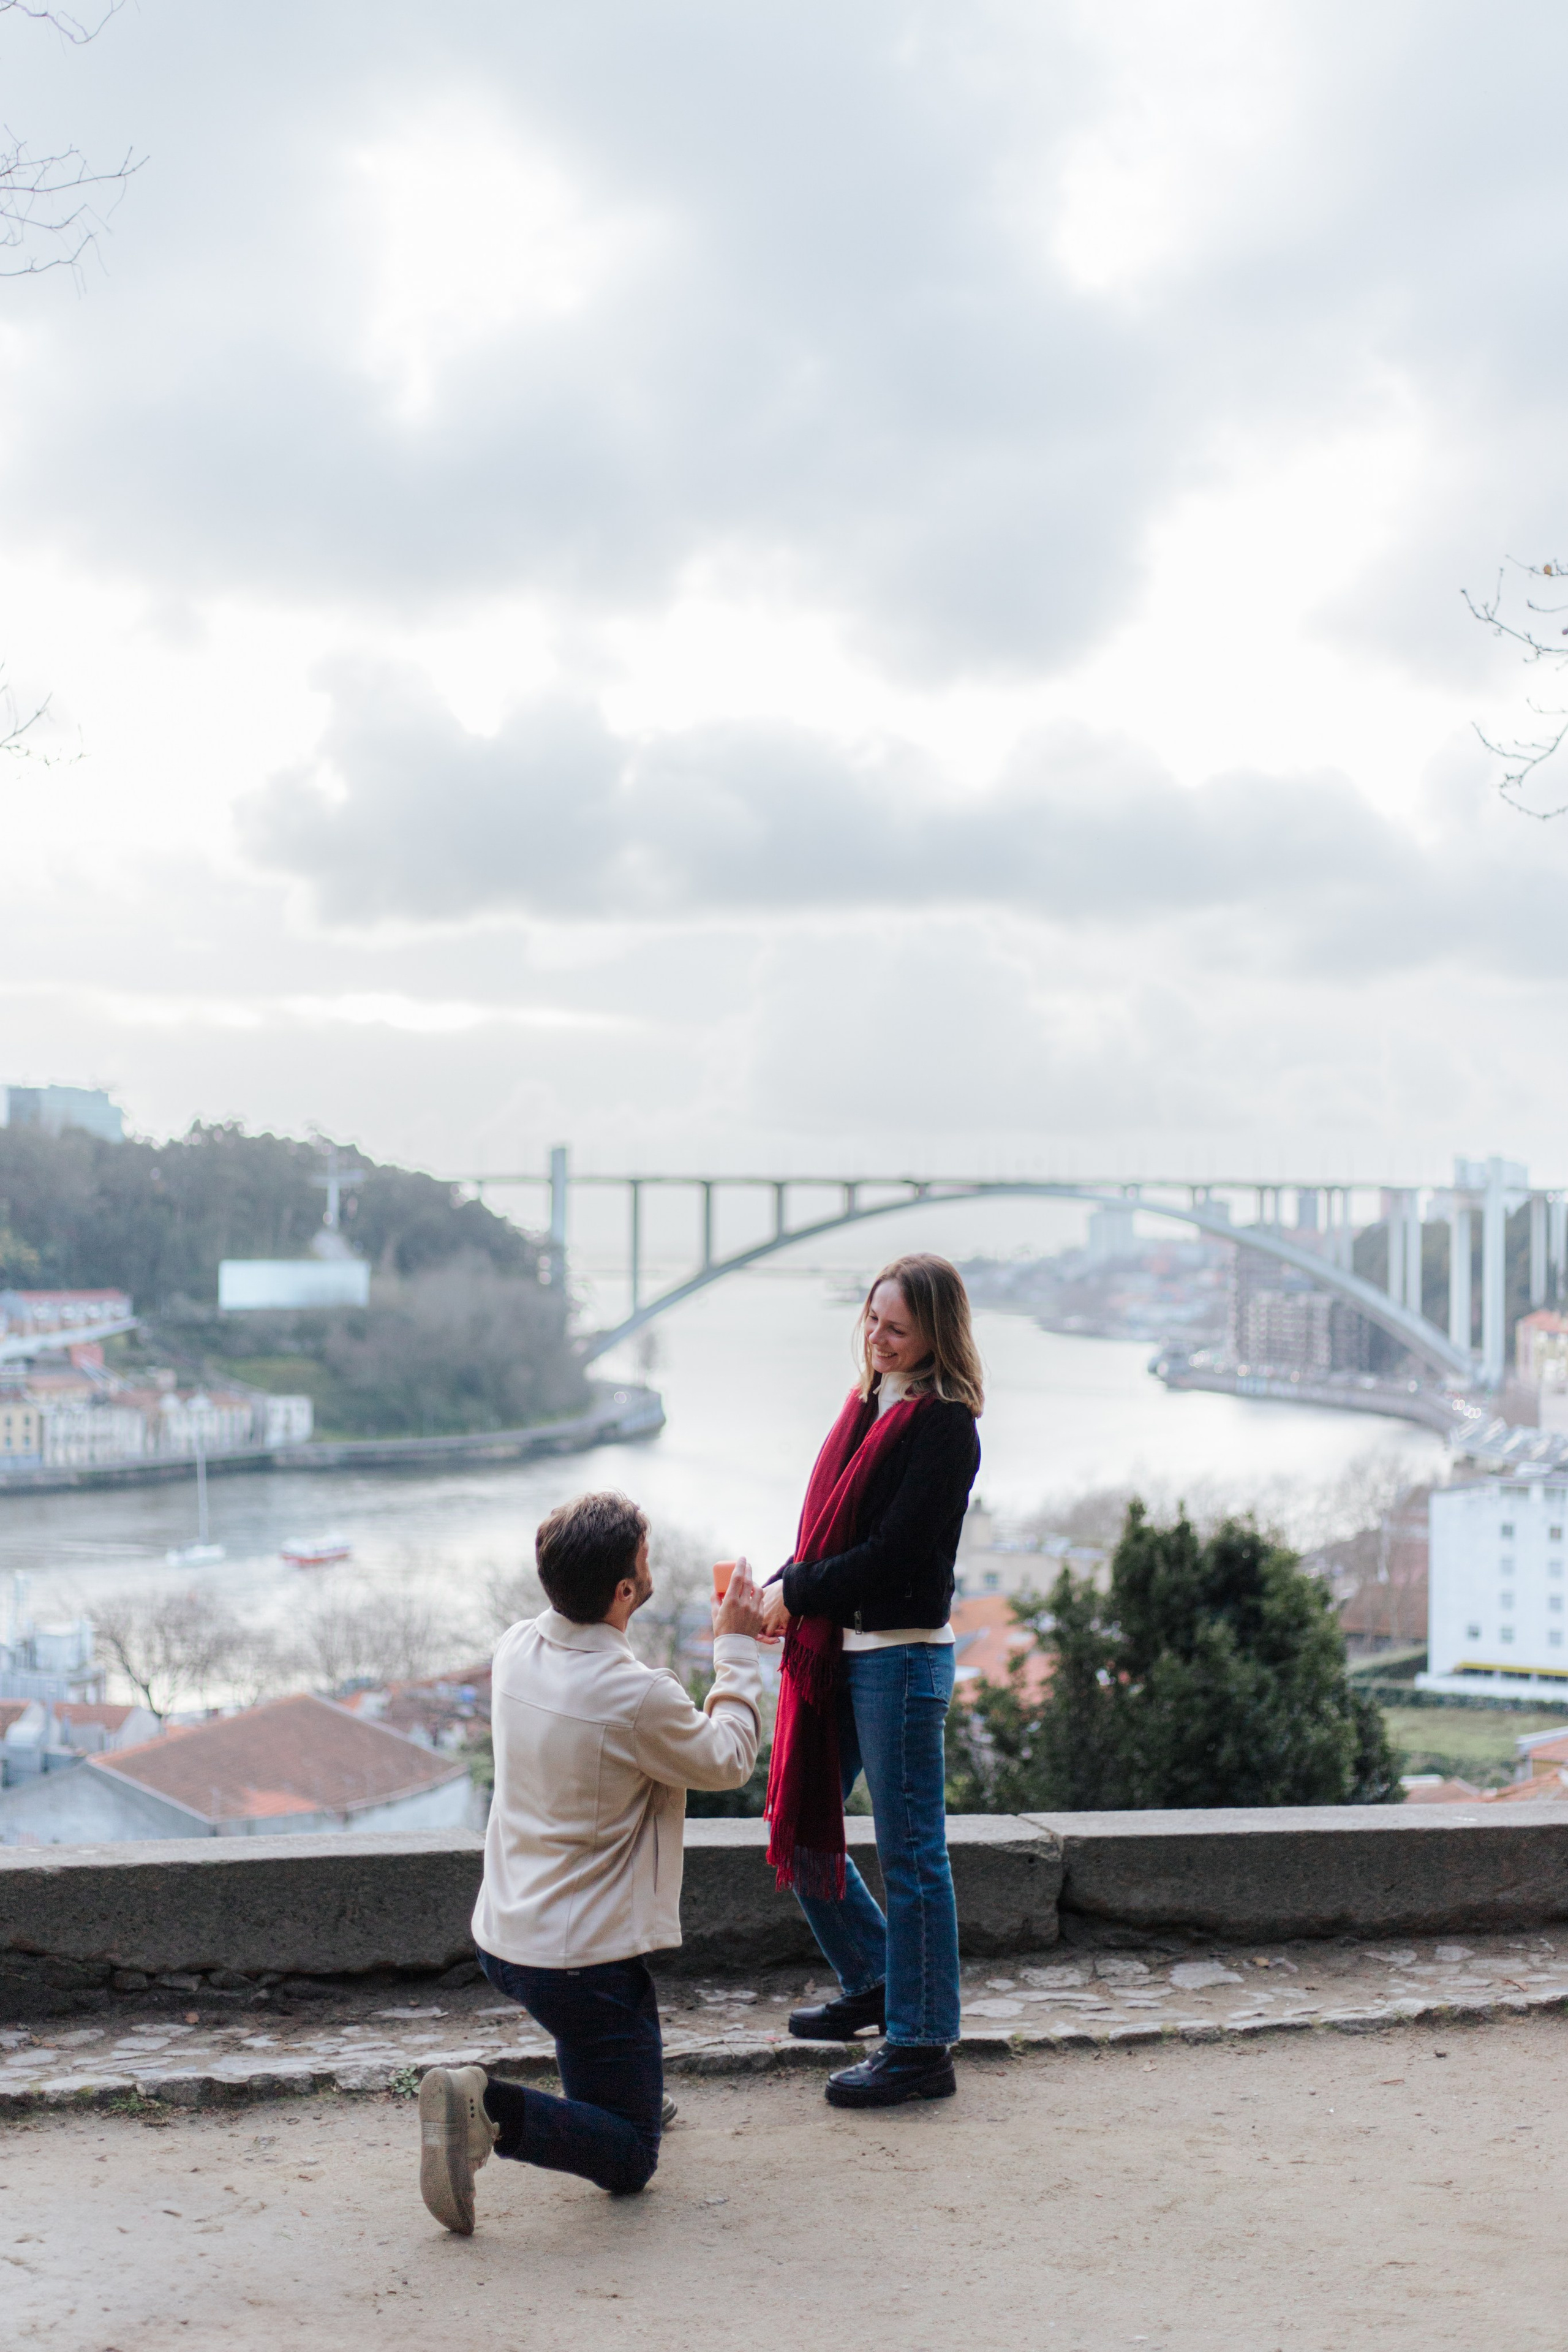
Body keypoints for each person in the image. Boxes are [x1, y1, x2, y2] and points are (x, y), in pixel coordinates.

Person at [418, 1489, 769, 2235]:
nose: (651, 1565)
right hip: (580, 1964)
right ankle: (488, 2110)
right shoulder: (634, 1695)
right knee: (632, 2159)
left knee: (611, 2073)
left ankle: (623, 2093)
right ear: (624, 1590)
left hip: (504, 1935)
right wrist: (736, 1651)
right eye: (644, 1558)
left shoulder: (515, 1648)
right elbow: (731, 1759)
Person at [761, 1253, 982, 2111]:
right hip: (844, 1652)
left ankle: (922, 2046)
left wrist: (795, 1592)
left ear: (935, 1334)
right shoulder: (867, 1407)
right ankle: (874, 1981)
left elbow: (890, 1554)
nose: (878, 1338)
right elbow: (823, 1540)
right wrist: (772, 1592)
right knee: (802, 1817)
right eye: (871, 1320)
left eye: (896, 1328)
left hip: (901, 1655)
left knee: (912, 1853)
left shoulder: (943, 1424)